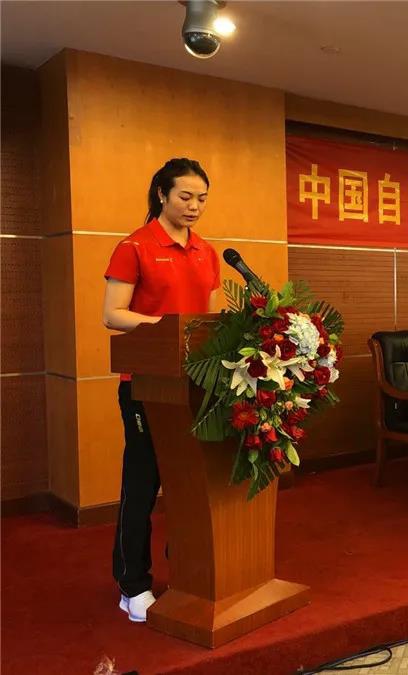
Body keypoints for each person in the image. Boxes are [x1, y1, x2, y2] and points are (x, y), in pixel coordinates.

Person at [102, 159, 220, 622]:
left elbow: (211, 321)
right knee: (143, 482)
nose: (194, 206)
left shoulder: (207, 251)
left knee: (190, 484)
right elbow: (113, 314)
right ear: (161, 195)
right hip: (146, 385)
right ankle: (131, 584)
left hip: (195, 385)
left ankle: (188, 572)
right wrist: (169, 329)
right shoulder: (135, 246)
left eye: (202, 198)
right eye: (185, 197)